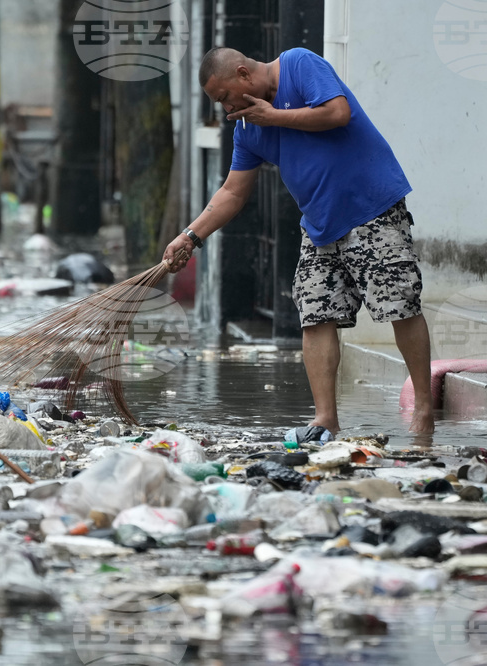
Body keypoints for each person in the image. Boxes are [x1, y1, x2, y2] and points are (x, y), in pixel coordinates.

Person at [163, 47, 434, 435]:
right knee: (315, 314)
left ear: (243, 74)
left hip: (372, 208)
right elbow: (233, 193)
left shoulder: (298, 64)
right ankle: (325, 421)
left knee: (398, 305)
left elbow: (338, 113)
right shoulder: (247, 128)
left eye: (224, 97)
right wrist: (190, 235)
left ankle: (423, 411)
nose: (225, 109)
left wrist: (274, 117)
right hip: (320, 226)